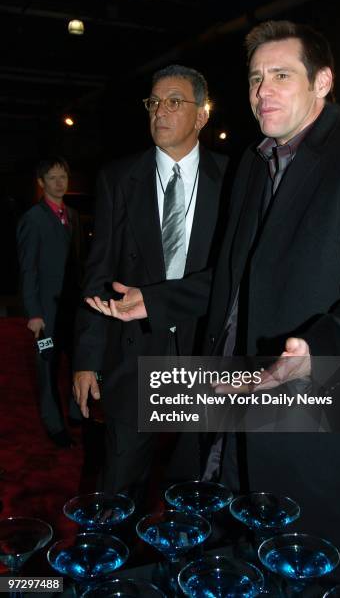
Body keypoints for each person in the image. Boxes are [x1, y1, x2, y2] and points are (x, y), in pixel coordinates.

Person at [202, 20, 340, 570]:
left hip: (326, 402)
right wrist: (158, 299)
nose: (263, 92)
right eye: (257, 78)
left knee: (316, 565)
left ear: (323, 82)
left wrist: (316, 349)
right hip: (241, 398)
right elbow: (239, 274)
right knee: (246, 555)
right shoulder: (255, 163)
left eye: (281, 75)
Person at [73, 65, 229, 503]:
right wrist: (86, 359)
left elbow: (234, 273)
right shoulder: (119, 177)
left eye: (175, 101)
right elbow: (98, 272)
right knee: (120, 485)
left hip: (204, 349)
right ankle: (113, 568)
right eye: (154, 102)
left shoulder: (234, 178)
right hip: (133, 351)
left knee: (198, 488)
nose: (160, 111)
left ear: (201, 115)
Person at [17, 156, 84, 447]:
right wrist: (33, 313)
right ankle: (53, 424)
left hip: (72, 309)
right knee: (47, 367)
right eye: (53, 178)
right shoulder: (32, 219)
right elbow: (27, 270)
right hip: (46, 312)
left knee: (78, 361)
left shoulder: (73, 215)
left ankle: (75, 412)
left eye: (63, 177)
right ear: (41, 182)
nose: (59, 183)